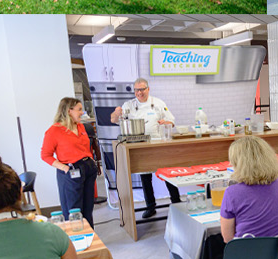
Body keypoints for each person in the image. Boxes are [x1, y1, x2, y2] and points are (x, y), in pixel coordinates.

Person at [111, 78, 180, 217]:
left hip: (158, 144)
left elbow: (171, 122)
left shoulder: (158, 103)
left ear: (148, 89)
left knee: (168, 174)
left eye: (142, 89)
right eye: (137, 90)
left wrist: (165, 122)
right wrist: (117, 113)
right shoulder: (128, 105)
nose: (139, 92)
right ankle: (150, 206)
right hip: (140, 146)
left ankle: (177, 203)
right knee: (145, 178)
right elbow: (113, 120)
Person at [42, 97, 97, 227]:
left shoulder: (81, 127)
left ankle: (90, 236)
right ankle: (76, 239)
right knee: (73, 209)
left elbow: (85, 147)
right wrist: (64, 168)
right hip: (70, 171)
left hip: (87, 168)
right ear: (69, 111)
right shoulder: (54, 131)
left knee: (88, 207)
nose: (82, 112)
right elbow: (45, 155)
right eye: (79, 110)